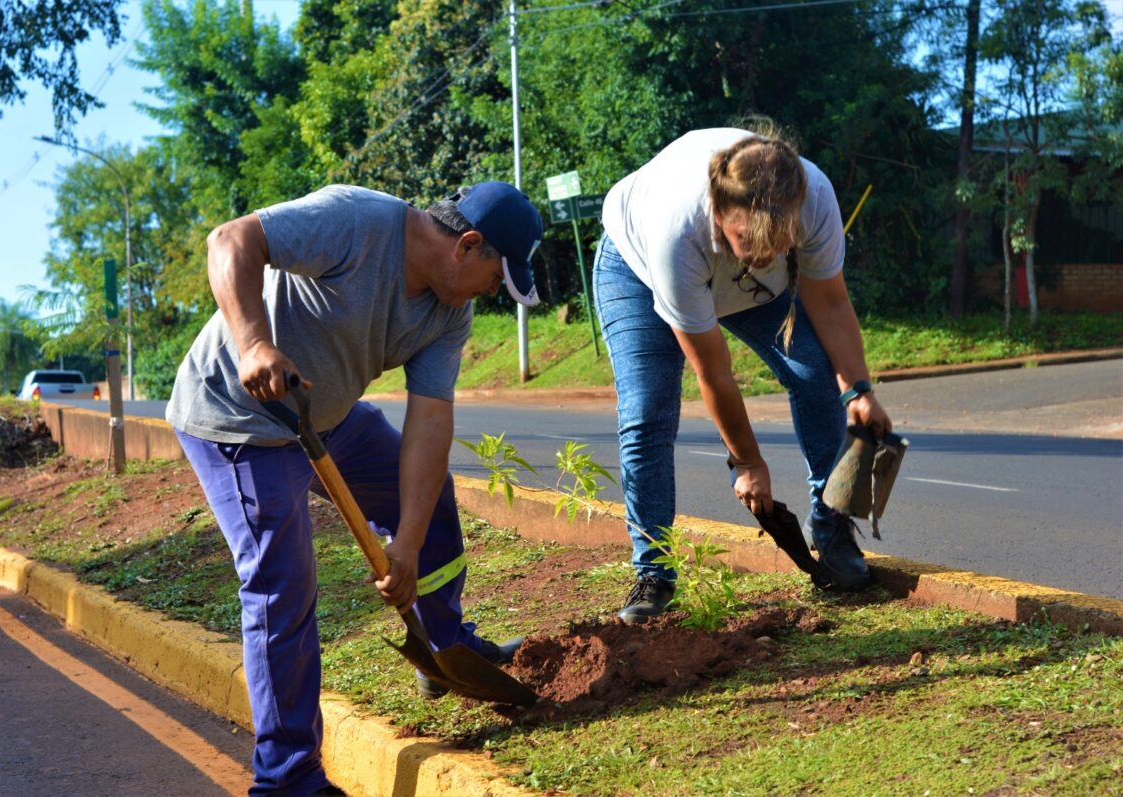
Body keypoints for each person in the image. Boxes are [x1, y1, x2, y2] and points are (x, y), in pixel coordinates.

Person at [166, 181, 543, 796]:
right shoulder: (357, 221)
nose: (494, 291)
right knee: (281, 582)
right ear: (468, 245)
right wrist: (256, 343)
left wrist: (409, 545)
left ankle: (443, 646)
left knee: (427, 498)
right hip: (237, 418)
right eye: (498, 276)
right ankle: (287, 780)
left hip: (324, 416)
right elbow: (230, 240)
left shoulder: (450, 312)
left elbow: (430, 423)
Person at [593, 120, 893, 624]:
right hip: (637, 269)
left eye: (780, 240)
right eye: (748, 240)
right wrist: (747, 461)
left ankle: (833, 522)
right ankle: (654, 575)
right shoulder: (676, 230)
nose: (764, 255)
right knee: (647, 412)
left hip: (747, 289)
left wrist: (857, 388)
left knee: (815, 370)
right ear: (719, 210)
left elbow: (830, 301)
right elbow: (713, 370)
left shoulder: (813, 196)